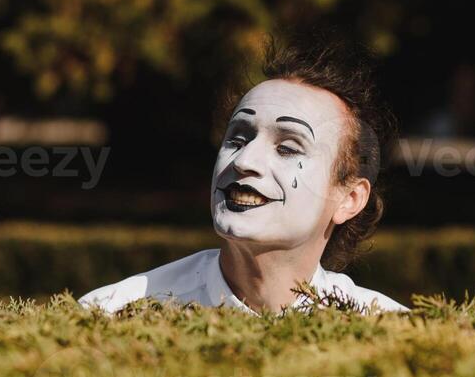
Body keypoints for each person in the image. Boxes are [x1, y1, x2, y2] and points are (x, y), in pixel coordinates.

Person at [80, 33, 408, 315]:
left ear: (349, 199)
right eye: (238, 138)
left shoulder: (395, 335)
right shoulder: (110, 314)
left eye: (288, 148)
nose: (244, 160)